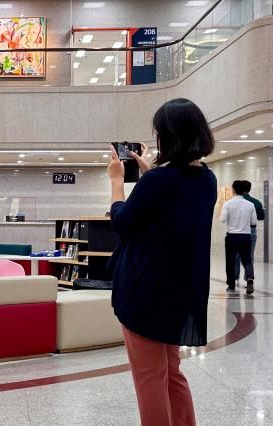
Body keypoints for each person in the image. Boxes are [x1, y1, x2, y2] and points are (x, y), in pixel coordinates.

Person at [107, 98, 216, 426]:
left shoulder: (159, 181)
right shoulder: (207, 179)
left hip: (146, 291)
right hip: (179, 294)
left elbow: (123, 222)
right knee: (170, 372)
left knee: (149, 379)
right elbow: (171, 208)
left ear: (167, 136)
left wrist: (116, 182)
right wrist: (150, 175)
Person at [221, 180, 256, 294]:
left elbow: (223, 220)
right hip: (246, 236)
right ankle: (250, 277)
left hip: (231, 236)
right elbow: (253, 222)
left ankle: (231, 286)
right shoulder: (250, 205)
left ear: (233, 190)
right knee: (247, 260)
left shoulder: (228, 204)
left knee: (230, 261)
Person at [234, 180, 265, 286]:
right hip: (251, 231)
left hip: (237, 231)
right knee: (249, 256)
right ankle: (248, 278)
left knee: (236, 256)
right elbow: (261, 217)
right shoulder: (256, 202)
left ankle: (234, 278)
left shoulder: (234, 202)